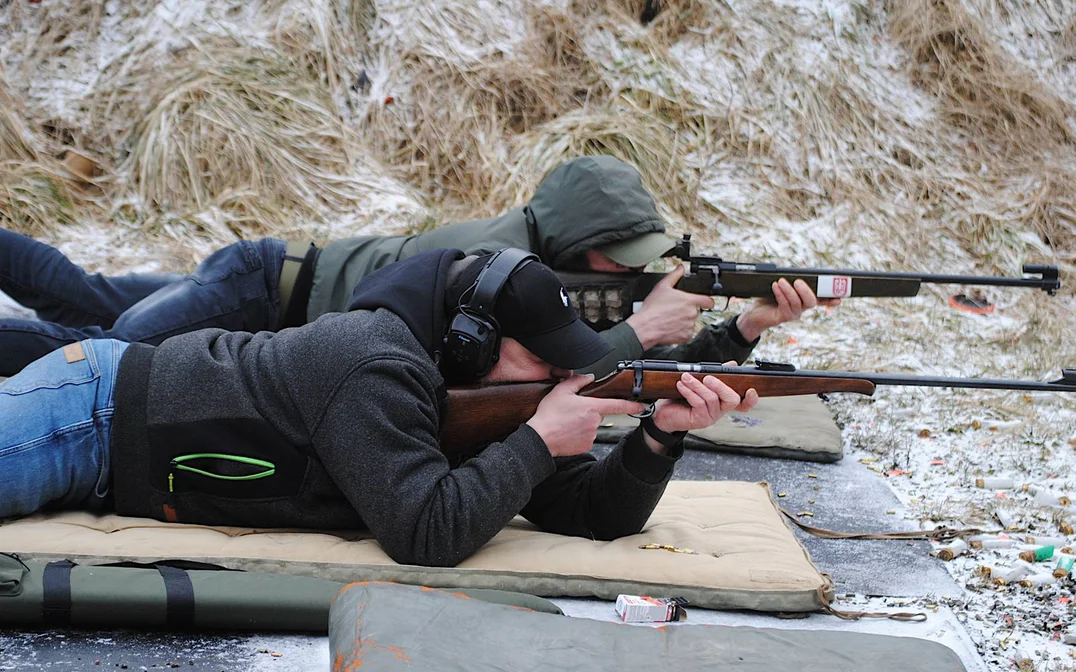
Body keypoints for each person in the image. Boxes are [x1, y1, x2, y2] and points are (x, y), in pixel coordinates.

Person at [0, 249, 758, 568]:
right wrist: (538, 438)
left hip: (113, 457)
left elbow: (594, 515)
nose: (562, 372)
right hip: (92, 413)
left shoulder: (477, 401)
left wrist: (657, 438)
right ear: (469, 340)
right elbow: (426, 532)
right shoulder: (372, 361)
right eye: (541, 355)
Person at [0, 155, 835, 377]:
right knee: (93, 353)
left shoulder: (539, 261)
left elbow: (617, 364)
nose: (630, 274)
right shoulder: (492, 263)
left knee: (87, 301)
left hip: (271, 279)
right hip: (264, 288)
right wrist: (643, 327)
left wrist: (748, 325)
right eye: (621, 260)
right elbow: (591, 366)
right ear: (580, 240)